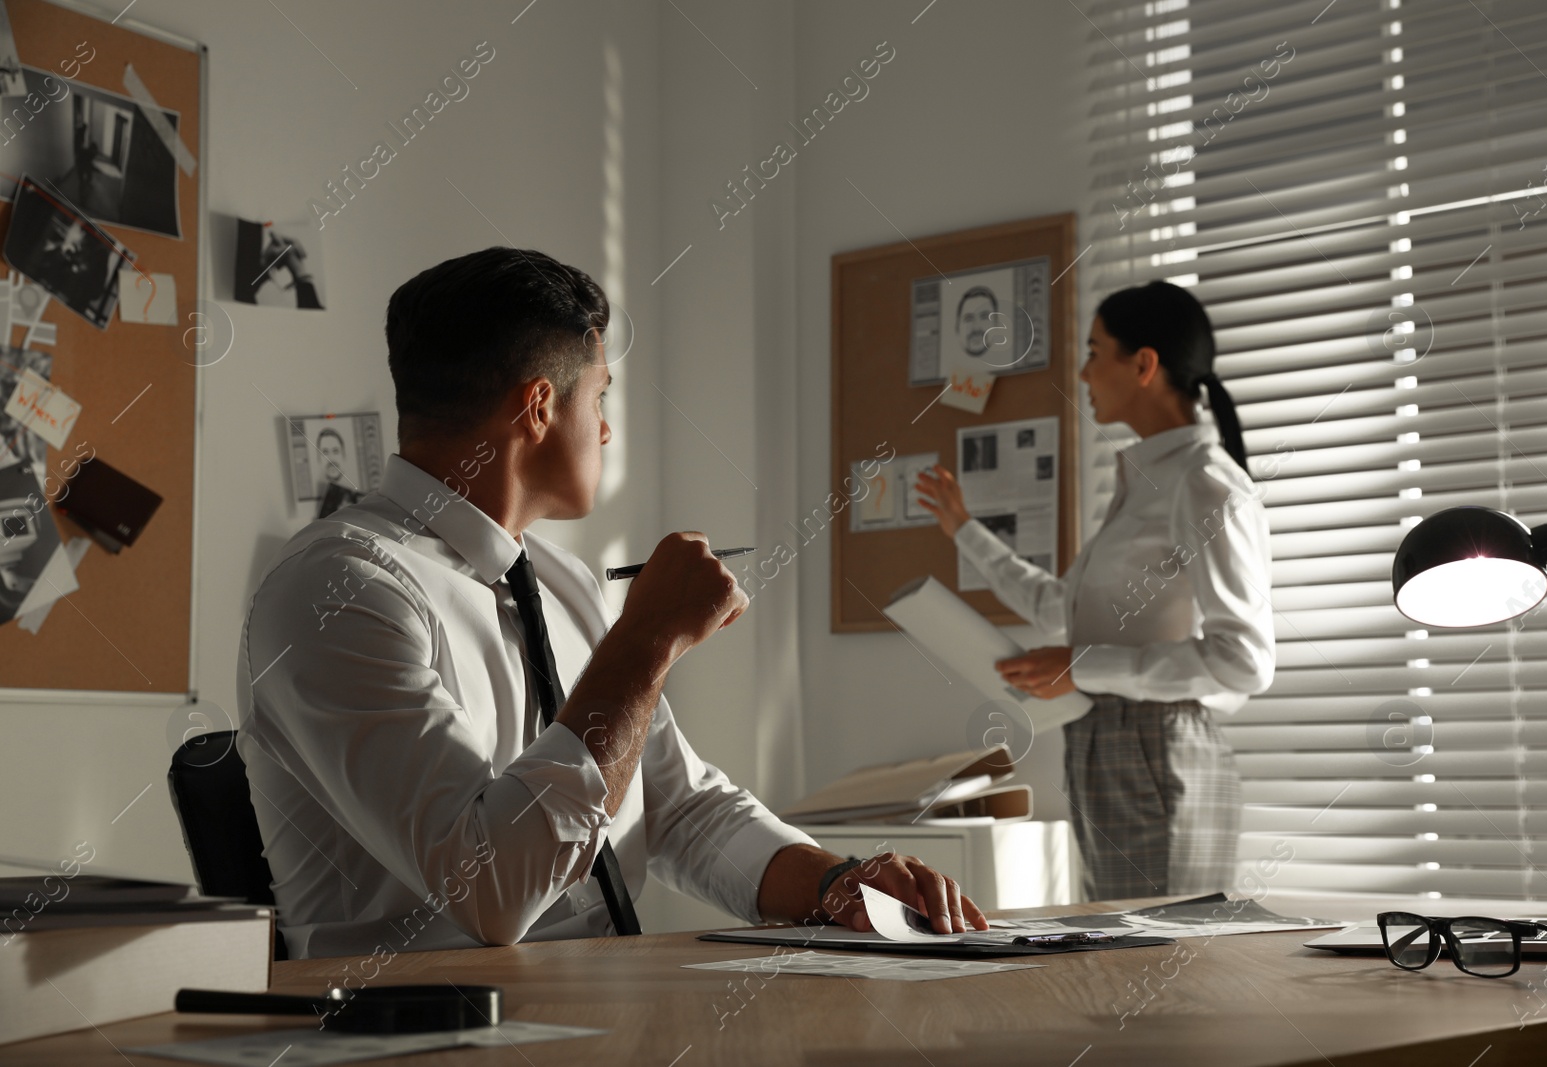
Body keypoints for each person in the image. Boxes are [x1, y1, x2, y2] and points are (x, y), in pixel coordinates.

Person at [237, 246, 986, 959]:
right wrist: (647, 641)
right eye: (599, 397)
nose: (602, 427)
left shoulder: (563, 583)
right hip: (418, 1037)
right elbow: (491, 887)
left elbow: (679, 807)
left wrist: (834, 883)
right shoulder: (335, 593)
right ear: (537, 406)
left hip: (594, 1012)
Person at [916, 280, 1274, 901]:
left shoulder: (1206, 484)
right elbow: (1061, 608)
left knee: (1159, 968)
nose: (1081, 371)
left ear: (1143, 365)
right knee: (1116, 964)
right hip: (1107, 741)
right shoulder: (1145, 482)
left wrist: (1082, 668)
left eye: (1093, 351)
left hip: (1156, 748)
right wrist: (964, 530)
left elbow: (1244, 660)